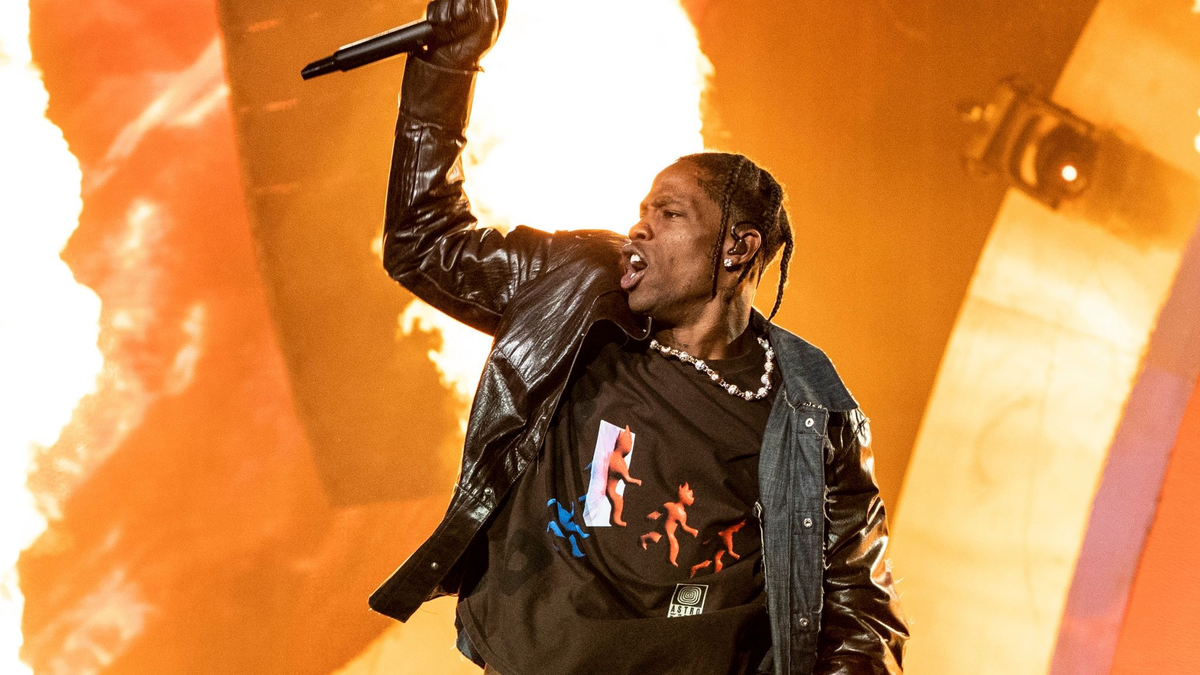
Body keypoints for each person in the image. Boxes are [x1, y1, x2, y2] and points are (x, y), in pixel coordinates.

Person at [367, 0, 908, 673]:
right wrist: (448, 62)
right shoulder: (580, 289)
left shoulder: (809, 405)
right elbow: (421, 243)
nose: (641, 227)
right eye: (641, 210)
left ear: (737, 249)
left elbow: (859, 602)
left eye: (669, 212)